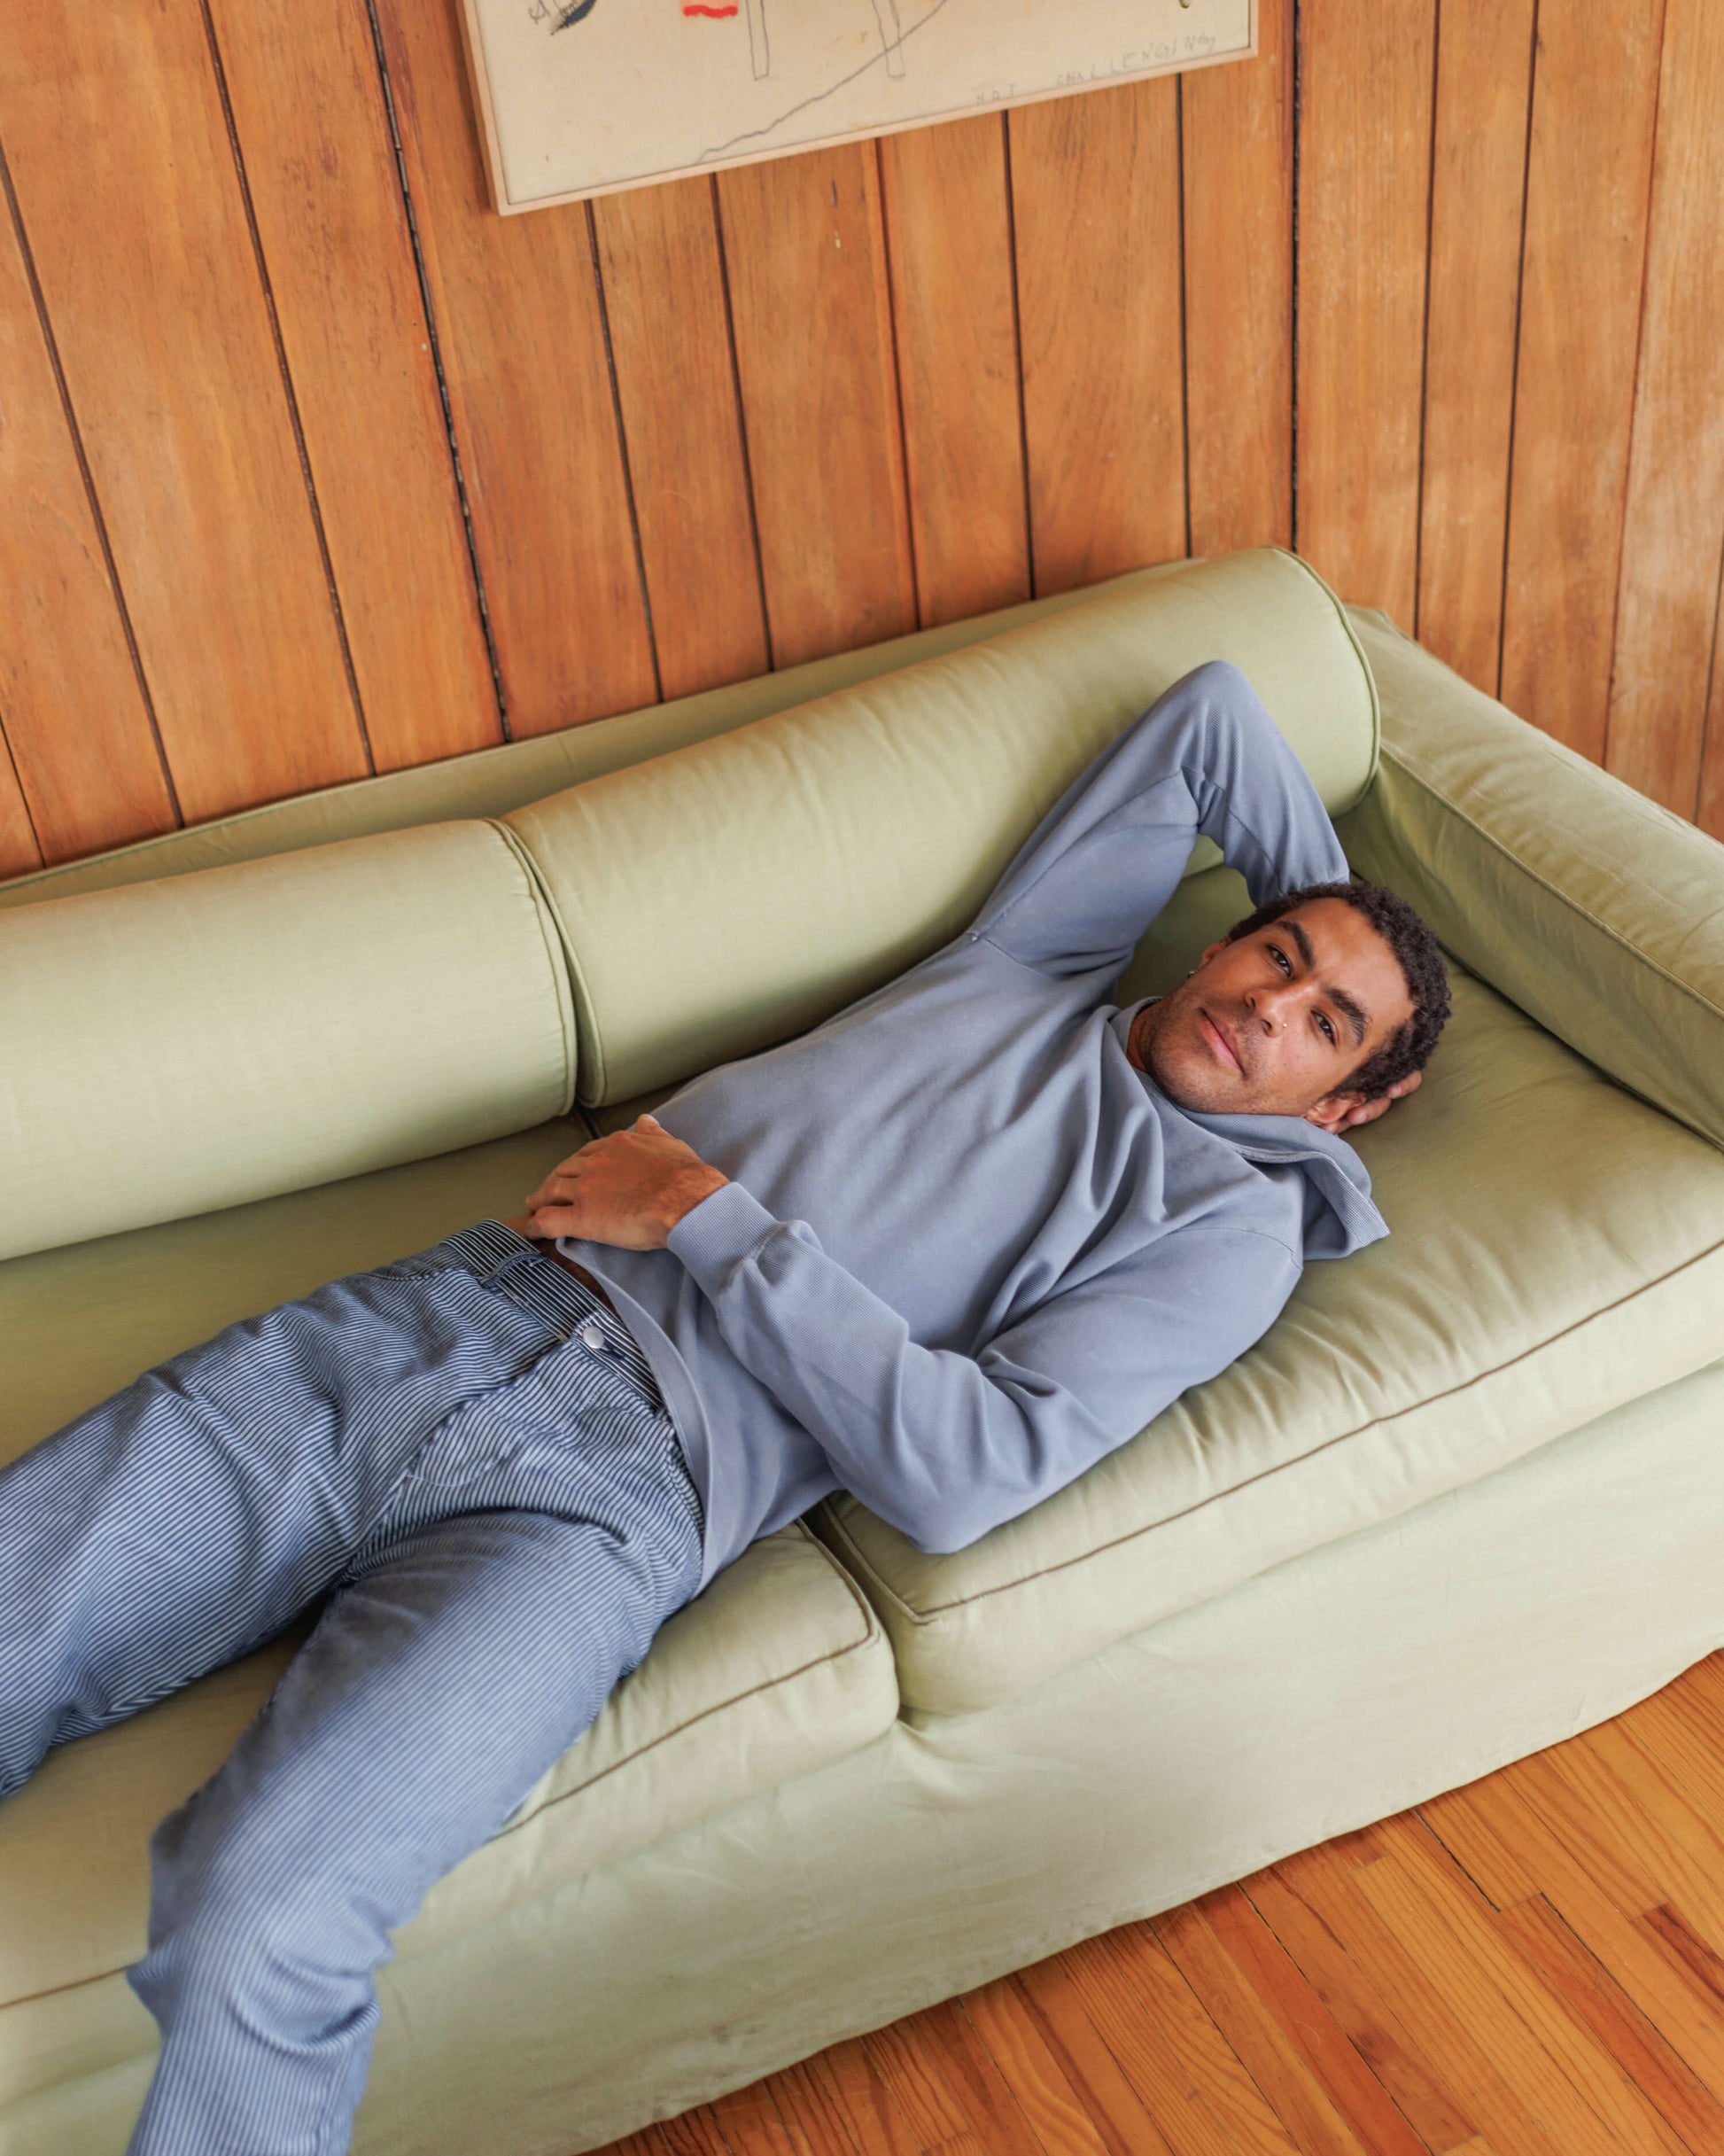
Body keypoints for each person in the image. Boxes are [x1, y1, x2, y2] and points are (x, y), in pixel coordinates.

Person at [0, 658, 1449, 2155]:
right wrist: (1349, 925)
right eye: (1273, 956)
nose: (1269, 1004)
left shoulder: (1226, 1227)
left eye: (1326, 1025)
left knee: (264, 1912)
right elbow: (1210, 718)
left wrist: (707, 1217)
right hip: (436, 1322)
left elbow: (968, 1469)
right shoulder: (1035, 961)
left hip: (608, 1511)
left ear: (1349, 1108)